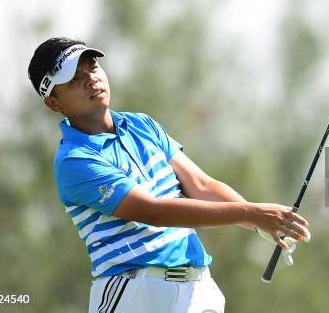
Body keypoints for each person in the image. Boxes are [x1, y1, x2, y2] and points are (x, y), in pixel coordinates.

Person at [27, 37, 311, 313]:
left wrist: (261, 224)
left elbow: (200, 184)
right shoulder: (75, 160)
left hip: (197, 286)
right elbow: (154, 212)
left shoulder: (141, 124)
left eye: (92, 66)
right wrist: (251, 213)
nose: (91, 79)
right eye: (74, 78)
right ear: (54, 102)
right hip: (135, 293)